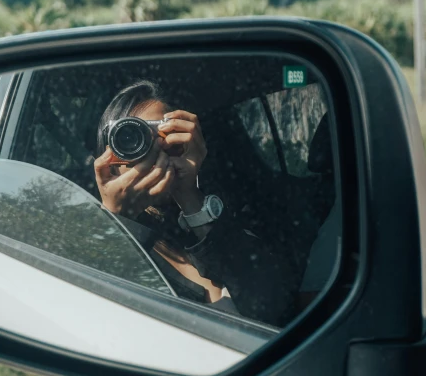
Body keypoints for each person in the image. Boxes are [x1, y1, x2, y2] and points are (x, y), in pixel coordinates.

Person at [94, 80, 302, 327]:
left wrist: (189, 194)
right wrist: (116, 221)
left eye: (162, 136)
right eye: (130, 138)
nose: (149, 151)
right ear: (110, 159)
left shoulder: (223, 218)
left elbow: (276, 308)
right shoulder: (93, 242)